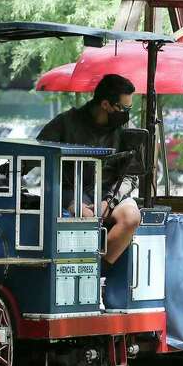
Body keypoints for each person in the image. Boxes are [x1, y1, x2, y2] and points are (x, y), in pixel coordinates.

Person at [37, 73, 140, 265]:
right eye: (123, 108)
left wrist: (109, 201)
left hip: (111, 192)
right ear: (105, 105)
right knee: (86, 217)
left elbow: (130, 175)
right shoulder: (65, 123)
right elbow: (38, 155)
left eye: (129, 108)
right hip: (72, 191)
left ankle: (98, 269)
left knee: (132, 217)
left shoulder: (125, 128)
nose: (127, 113)